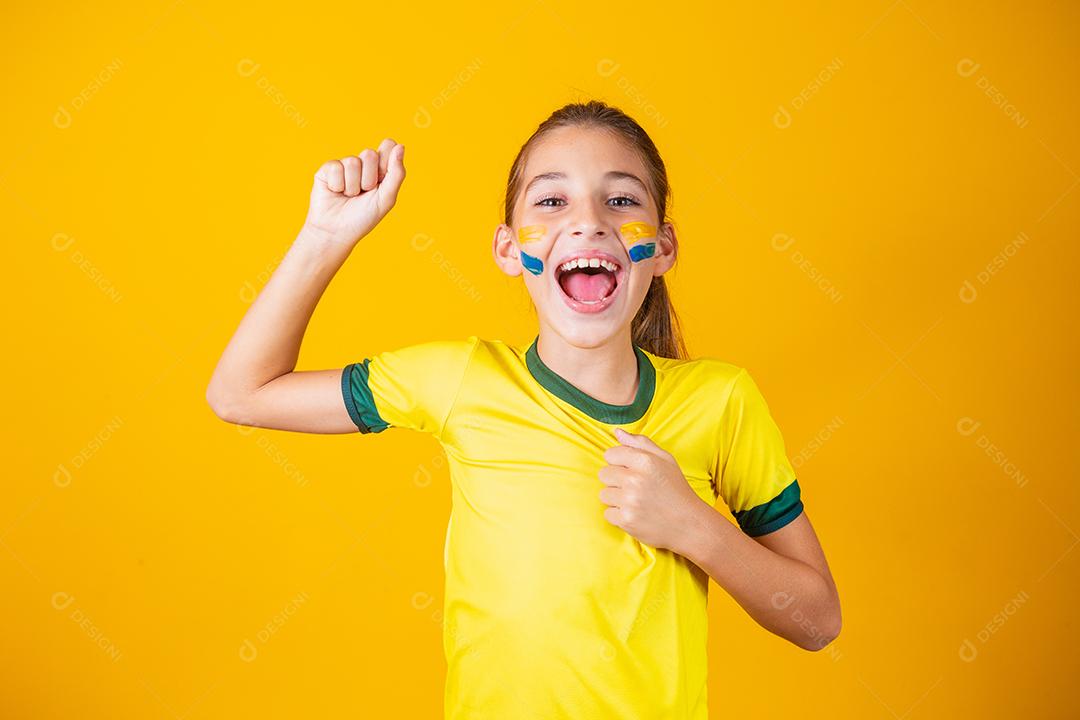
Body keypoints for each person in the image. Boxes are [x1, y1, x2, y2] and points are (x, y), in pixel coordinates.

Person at [207, 100, 841, 719]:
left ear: (665, 246)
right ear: (510, 249)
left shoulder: (721, 400)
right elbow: (241, 394)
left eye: (620, 200)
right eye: (551, 200)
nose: (589, 222)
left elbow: (817, 620)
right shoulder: (459, 379)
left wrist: (695, 528)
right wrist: (324, 237)